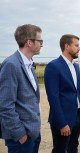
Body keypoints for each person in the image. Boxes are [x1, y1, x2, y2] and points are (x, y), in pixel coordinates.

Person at [0, 24, 43, 153]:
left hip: (33, 133)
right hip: (21, 139)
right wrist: (20, 135)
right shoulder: (11, 64)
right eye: (40, 41)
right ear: (29, 43)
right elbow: (5, 105)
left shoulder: (28, 64)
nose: (42, 44)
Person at [44, 34, 80, 153]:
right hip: (63, 119)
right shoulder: (53, 66)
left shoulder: (75, 66)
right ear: (67, 46)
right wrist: (61, 123)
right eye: (76, 45)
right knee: (60, 150)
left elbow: (79, 90)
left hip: (77, 116)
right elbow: (53, 98)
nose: (79, 48)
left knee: (73, 148)